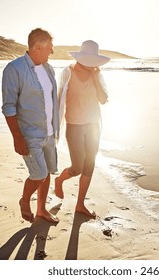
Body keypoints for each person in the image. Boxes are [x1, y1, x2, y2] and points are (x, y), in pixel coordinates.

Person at [2, 28, 60, 224]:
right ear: (37, 47)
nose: (52, 52)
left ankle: (42, 209)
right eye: (49, 48)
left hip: (50, 134)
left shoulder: (48, 68)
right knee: (39, 174)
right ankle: (24, 200)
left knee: (48, 173)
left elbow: (51, 101)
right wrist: (17, 138)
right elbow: (9, 107)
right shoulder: (14, 69)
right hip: (30, 135)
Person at [55, 40, 110, 218]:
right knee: (78, 167)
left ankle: (80, 204)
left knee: (90, 165)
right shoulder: (67, 73)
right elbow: (57, 100)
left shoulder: (97, 75)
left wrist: (95, 79)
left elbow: (103, 99)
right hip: (74, 125)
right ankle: (59, 180)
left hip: (93, 125)